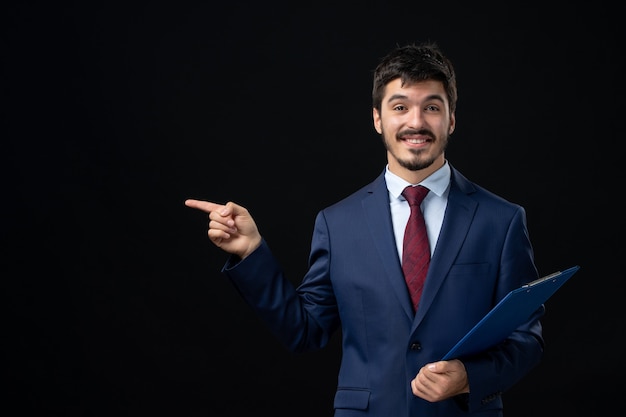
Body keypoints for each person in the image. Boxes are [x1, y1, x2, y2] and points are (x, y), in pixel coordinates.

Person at [185, 41, 544, 416]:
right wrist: (251, 252)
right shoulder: (337, 223)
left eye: (432, 108)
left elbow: (527, 339)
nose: (416, 122)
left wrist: (469, 376)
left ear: (451, 119)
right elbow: (304, 330)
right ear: (377, 119)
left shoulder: (501, 220)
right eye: (400, 107)